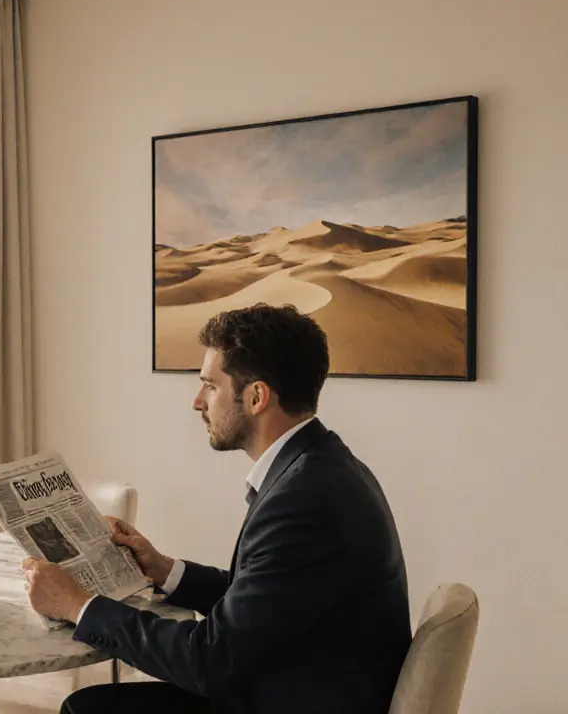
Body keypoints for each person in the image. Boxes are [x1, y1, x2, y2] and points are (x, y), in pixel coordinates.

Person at [22, 303, 412, 714]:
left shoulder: (302, 501)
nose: (197, 401)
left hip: (286, 698)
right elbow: (263, 603)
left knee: (89, 709)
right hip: (294, 682)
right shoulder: (321, 465)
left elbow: (211, 661)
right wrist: (164, 569)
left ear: (257, 396)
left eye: (210, 386)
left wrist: (76, 605)